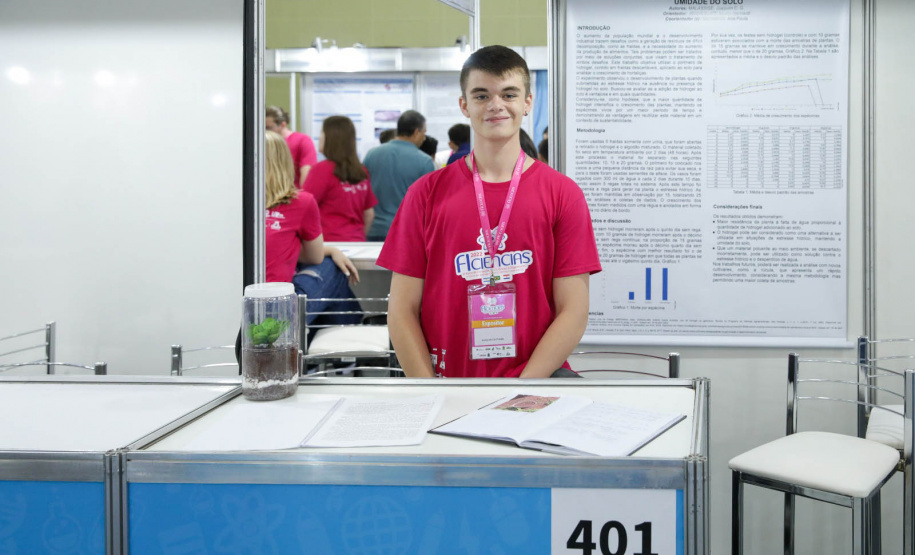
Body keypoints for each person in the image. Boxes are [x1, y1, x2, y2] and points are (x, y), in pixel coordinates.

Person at [377, 45, 602, 378]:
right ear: (464, 105)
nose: (496, 105)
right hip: (447, 382)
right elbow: (401, 309)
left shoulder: (562, 194)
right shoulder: (425, 193)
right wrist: (429, 389)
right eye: (481, 96)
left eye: (509, 94)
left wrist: (520, 388)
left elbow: (574, 310)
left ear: (527, 103)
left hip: (535, 382)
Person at [263, 131, 361, 334]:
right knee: (333, 269)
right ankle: (354, 330)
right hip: (280, 310)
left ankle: (328, 345)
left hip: (243, 303)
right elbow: (315, 256)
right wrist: (332, 250)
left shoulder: (239, 206)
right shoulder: (301, 202)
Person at [362, 110, 436, 241]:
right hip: (406, 233)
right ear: (416, 132)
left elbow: (363, 192)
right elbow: (429, 204)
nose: (424, 138)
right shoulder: (424, 161)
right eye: (423, 133)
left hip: (373, 230)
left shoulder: (371, 155)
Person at [302, 116, 377, 242]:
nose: (319, 138)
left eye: (322, 133)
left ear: (331, 138)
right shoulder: (361, 171)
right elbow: (369, 214)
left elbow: (303, 207)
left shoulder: (321, 170)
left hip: (328, 244)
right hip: (356, 242)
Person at [266, 106, 317, 188]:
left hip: (292, 194)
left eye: (269, 128)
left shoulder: (303, 141)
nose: (266, 132)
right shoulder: (263, 144)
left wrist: (302, 198)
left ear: (283, 125)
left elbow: (306, 177)